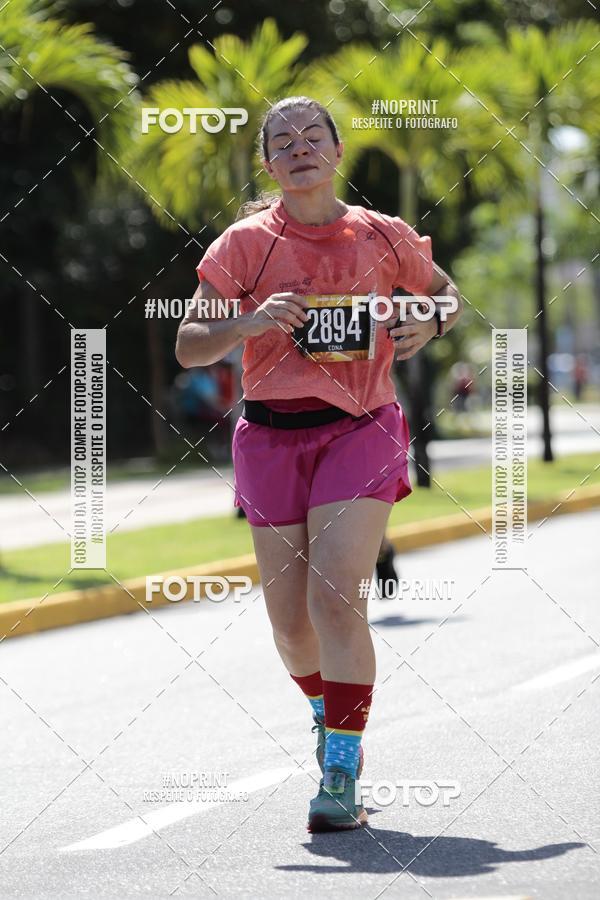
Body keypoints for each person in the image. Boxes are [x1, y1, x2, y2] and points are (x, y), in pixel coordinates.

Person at [175, 96, 463, 832]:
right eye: (282, 140)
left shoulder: (382, 235)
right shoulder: (245, 244)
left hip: (361, 427)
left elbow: (445, 296)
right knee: (290, 624)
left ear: (336, 152)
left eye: (313, 136)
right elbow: (190, 344)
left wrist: (429, 320)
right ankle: (323, 710)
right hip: (270, 435)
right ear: (269, 164)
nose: (299, 147)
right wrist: (253, 319)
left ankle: (341, 769)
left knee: (336, 599)